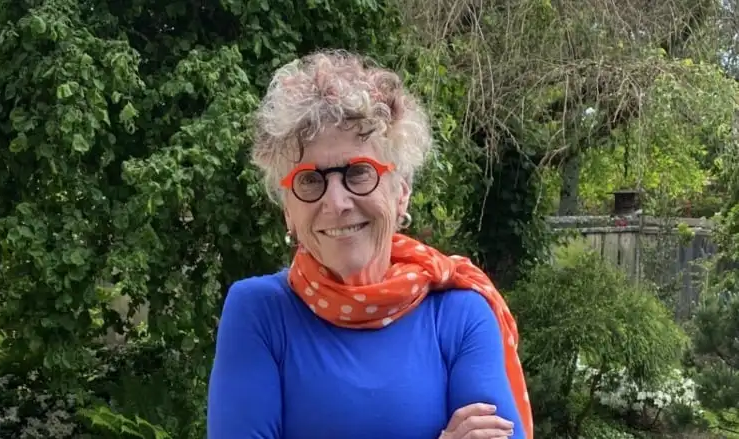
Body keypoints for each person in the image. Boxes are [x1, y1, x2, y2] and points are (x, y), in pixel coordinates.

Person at [207, 50, 534, 439]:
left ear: (401, 194)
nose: (336, 202)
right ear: (288, 213)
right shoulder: (260, 314)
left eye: (359, 173)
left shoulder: (460, 314)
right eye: (310, 180)